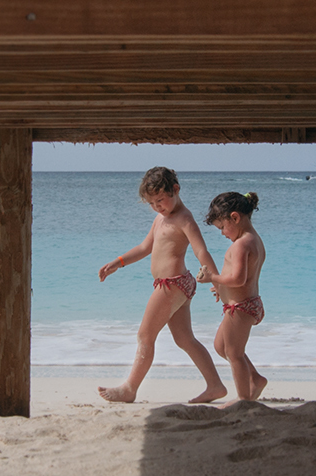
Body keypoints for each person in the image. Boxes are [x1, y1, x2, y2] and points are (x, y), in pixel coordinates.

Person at [97, 167, 226, 404]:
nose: (157, 206)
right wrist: (119, 262)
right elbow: (145, 248)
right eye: (152, 203)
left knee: (145, 335)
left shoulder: (184, 218)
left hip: (173, 284)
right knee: (184, 339)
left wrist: (216, 280)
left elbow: (201, 250)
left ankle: (130, 388)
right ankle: (215, 385)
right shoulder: (160, 218)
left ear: (175, 190)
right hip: (177, 283)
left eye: (160, 200)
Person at [196, 191, 267, 403]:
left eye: (222, 227)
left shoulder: (241, 245)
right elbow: (241, 278)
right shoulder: (253, 240)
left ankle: (243, 398)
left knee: (234, 353)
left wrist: (213, 277)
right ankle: (254, 378)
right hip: (246, 304)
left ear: (235, 217)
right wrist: (221, 289)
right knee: (221, 346)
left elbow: (238, 279)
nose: (222, 233)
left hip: (241, 307)